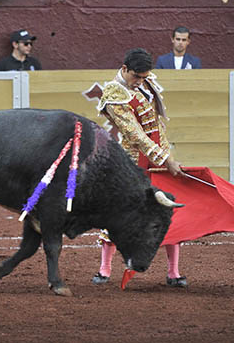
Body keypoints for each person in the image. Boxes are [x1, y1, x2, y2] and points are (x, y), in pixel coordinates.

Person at [91, 48, 188, 288]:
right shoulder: (114, 94)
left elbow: (156, 125)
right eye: (136, 77)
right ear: (124, 69)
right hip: (131, 162)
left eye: (144, 77)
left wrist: (166, 156)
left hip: (158, 156)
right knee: (117, 211)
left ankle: (174, 272)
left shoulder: (145, 82)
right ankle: (104, 269)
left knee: (168, 210)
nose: (140, 82)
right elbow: (135, 136)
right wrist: (165, 159)